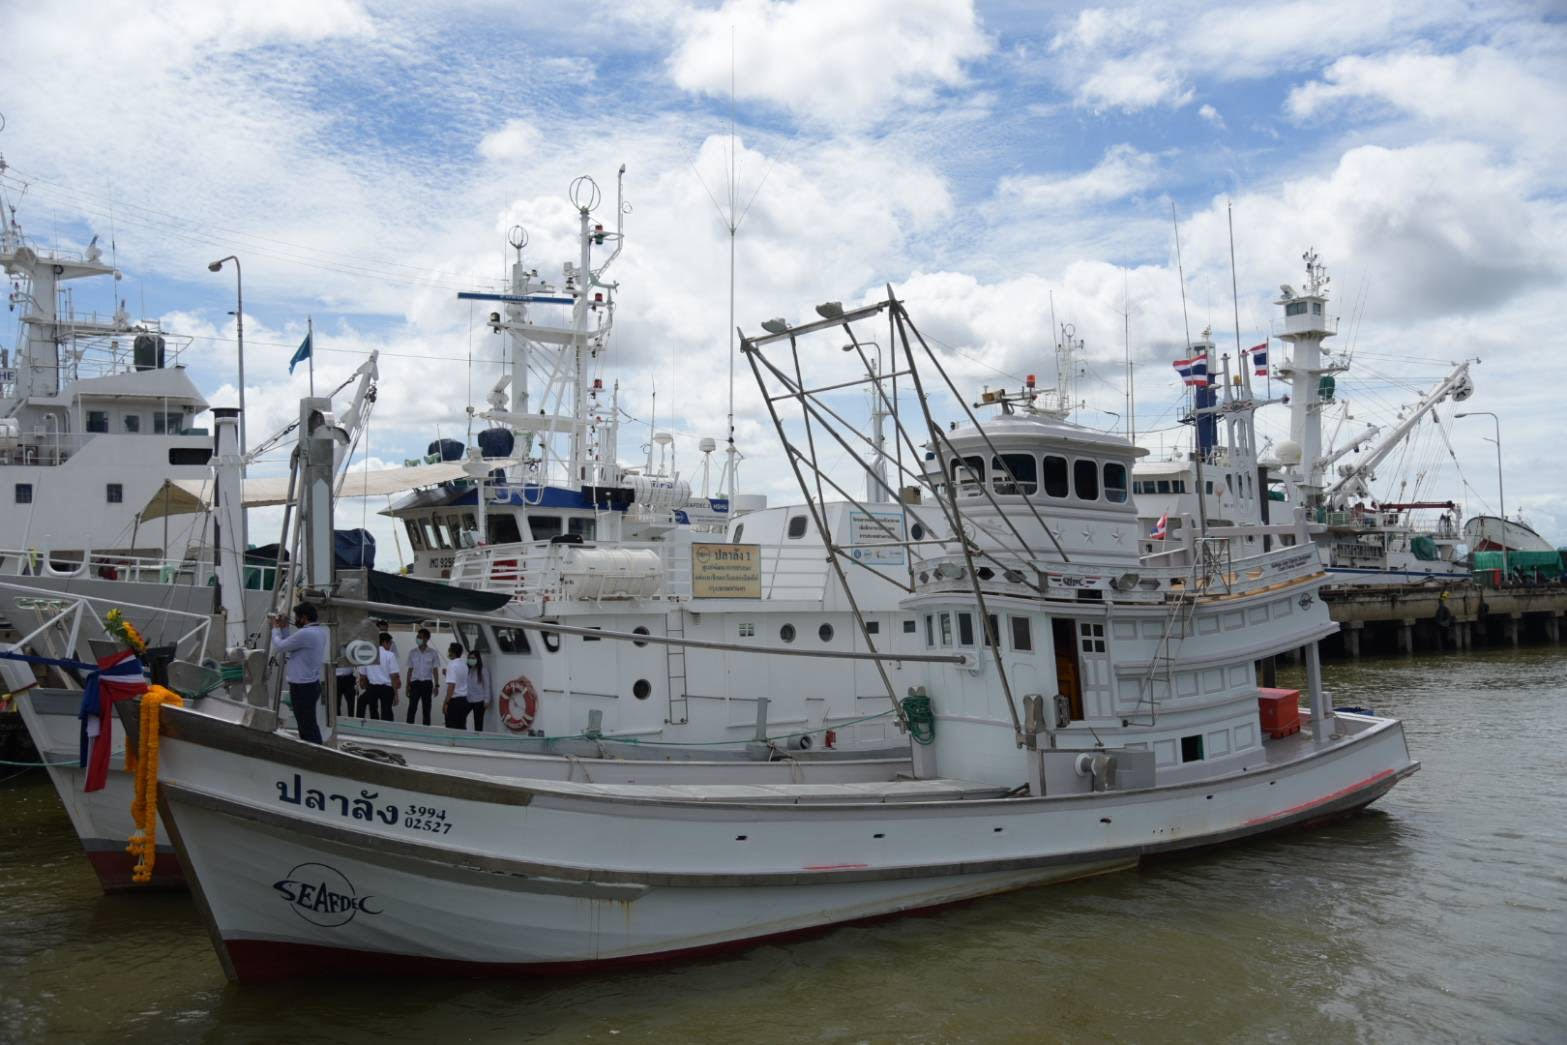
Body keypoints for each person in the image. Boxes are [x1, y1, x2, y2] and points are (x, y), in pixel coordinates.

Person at [270, 602, 326, 744]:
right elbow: (291, 646)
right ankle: (314, 751)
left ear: (304, 617)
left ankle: (316, 754)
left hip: (303, 687)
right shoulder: (319, 631)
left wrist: (275, 628)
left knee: (307, 726)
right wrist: (285, 628)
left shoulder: (305, 633)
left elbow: (281, 646)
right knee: (307, 724)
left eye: (297, 617)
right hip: (310, 684)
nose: (295, 620)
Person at [358, 632, 401, 720]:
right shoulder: (390, 655)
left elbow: (362, 675)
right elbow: (394, 676)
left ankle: (371, 729)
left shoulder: (368, 654)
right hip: (387, 688)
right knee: (386, 711)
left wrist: (364, 686)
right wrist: (396, 694)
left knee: (373, 710)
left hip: (372, 687)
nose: (390, 646)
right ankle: (387, 731)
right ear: (385, 642)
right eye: (390, 643)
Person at [404, 627, 440, 726]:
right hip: (415, 683)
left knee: (426, 709)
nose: (418, 639)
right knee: (412, 707)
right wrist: (407, 686)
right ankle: (408, 728)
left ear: (427, 639)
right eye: (417, 636)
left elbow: (435, 670)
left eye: (420, 637)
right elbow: (410, 670)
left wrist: (436, 685)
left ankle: (426, 730)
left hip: (427, 684)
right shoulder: (412, 652)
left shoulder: (433, 653)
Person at [442, 642, 470, 729]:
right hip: (464, 700)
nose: (448, 652)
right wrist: (447, 674)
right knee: (461, 726)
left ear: (452, 652)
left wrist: (446, 702)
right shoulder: (464, 665)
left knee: (451, 726)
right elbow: (460, 680)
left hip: (454, 702)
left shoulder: (451, 665)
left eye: (449, 650)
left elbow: (452, 686)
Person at [465, 648, 492, 732]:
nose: (471, 660)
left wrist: (487, 700)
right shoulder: (468, 670)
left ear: (477, 659)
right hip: (469, 699)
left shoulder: (483, 670)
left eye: (473, 658)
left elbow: (487, 685)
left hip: (479, 701)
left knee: (478, 723)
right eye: (469, 658)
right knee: (461, 716)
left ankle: (478, 738)